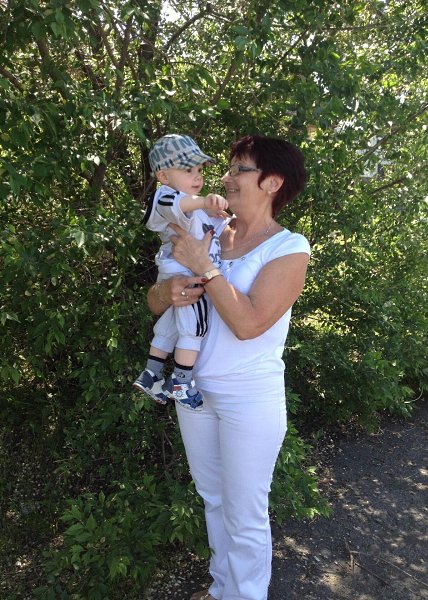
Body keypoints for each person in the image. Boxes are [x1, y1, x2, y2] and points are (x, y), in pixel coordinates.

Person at [146, 134, 310, 600]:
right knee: (213, 499)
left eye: (240, 168)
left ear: (272, 182)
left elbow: (249, 323)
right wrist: (166, 293)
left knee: (244, 512)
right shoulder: (208, 226)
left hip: (248, 396)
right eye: (230, 167)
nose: (225, 177)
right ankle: (223, 590)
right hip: (193, 391)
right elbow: (156, 302)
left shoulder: (289, 247)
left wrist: (205, 266)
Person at [133, 134, 228, 410]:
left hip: (181, 270)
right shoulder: (165, 197)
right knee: (194, 327)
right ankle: (181, 383)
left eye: (199, 170)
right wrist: (205, 202)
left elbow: (198, 219)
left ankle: (151, 374)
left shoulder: (191, 205)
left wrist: (212, 214)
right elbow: (181, 205)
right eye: (188, 170)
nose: (197, 176)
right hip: (185, 272)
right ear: (163, 176)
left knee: (172, 325)